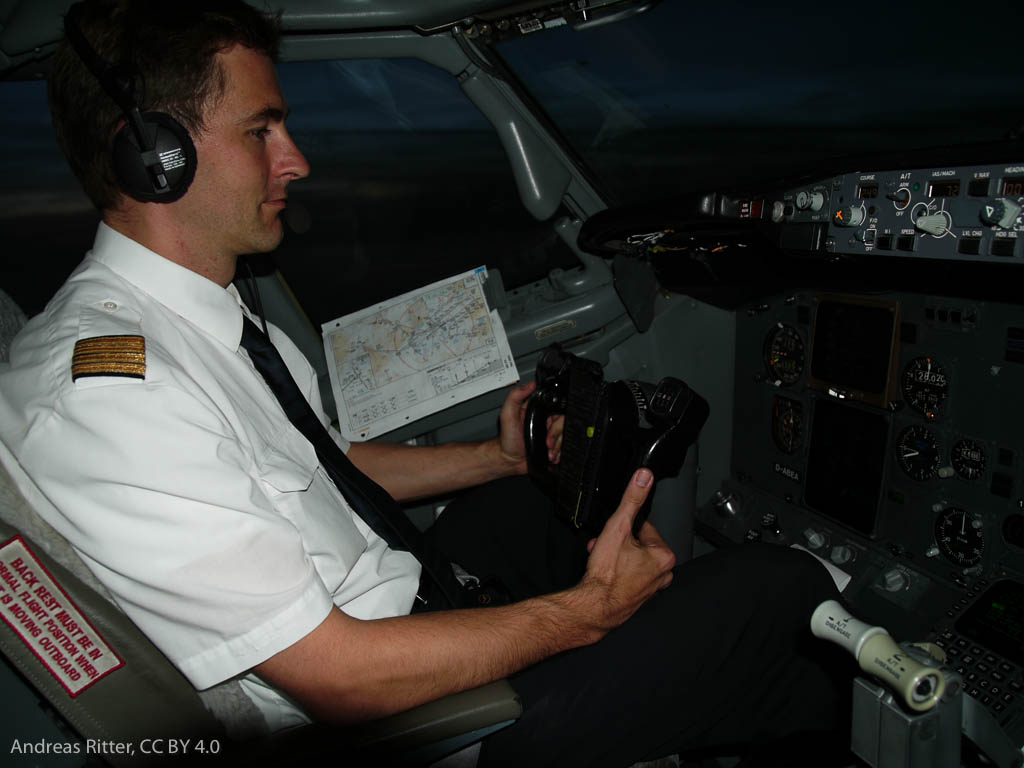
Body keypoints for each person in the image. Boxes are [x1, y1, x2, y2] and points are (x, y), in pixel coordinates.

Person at [0, 1, 854, 765]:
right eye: (262, 130)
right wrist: (583, 617)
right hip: (422, 723)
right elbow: (336, 680)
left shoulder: (200, 319)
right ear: (157, 157)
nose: (296, 161)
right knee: (773, 586)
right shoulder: (110, 392)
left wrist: (497, 458)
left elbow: (328, 469)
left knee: (562, 496)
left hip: (398, 597)